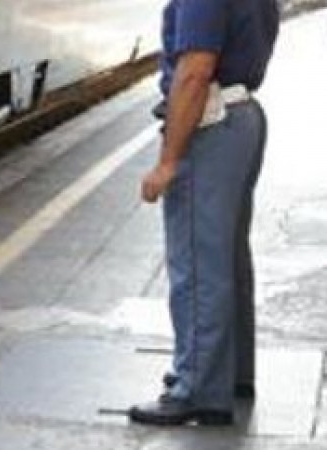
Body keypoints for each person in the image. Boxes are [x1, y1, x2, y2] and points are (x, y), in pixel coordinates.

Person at [129, 0, 279, 426]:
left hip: (211, 125)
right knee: (227, 258)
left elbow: (195, 70)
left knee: (198, 263)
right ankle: (230, 372)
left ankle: (197, 387)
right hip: (241, 116)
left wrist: (167, 162)